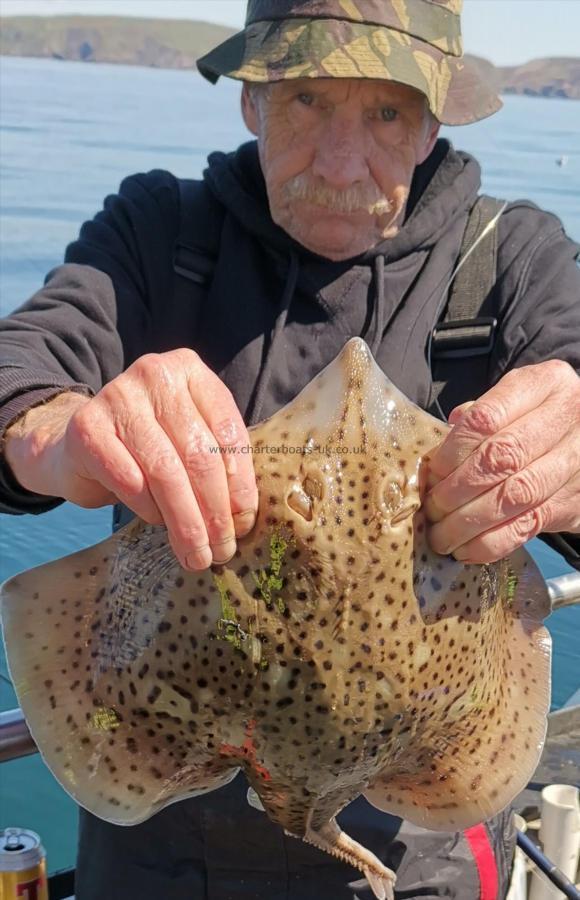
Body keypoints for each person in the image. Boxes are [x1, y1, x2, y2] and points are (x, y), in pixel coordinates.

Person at [1, 1, 579, 897]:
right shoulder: (160, 235)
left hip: (417, 851)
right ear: (251, 99)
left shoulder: (514, 263)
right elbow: (23, 365)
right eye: (307, 99)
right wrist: (53, 430)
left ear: (432, 120)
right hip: (164, 850)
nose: (342, 163)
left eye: (386, 113)